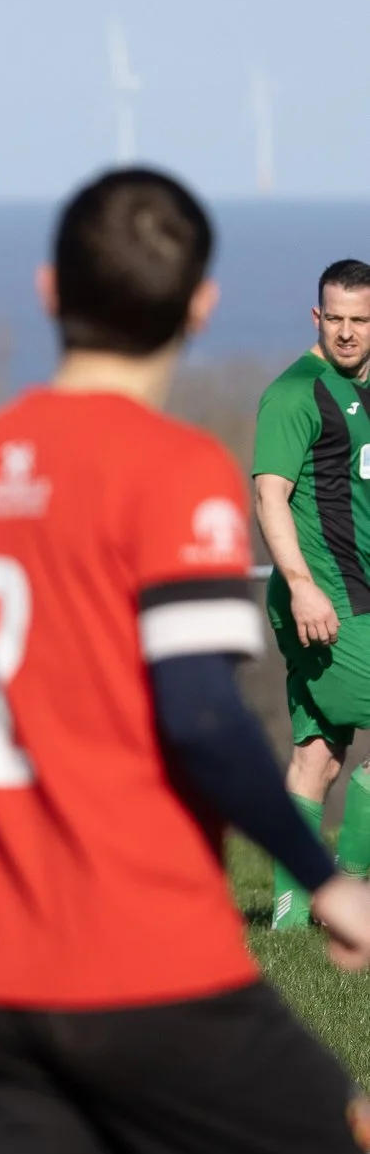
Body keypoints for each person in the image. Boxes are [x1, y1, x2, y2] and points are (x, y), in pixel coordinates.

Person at [0, 168, 370, 1154]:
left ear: (52, 294)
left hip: (1, 976)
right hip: (150, 967)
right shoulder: (171, 466)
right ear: (204, 303)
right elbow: (197, 713)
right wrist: (321, 873)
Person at [253, 260, 370, 931]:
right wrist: (301, 587)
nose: (347, 332)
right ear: (316, 317)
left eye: (360, 320)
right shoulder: (296, 393)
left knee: (317, 755)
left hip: (356, 597)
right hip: (325, 599)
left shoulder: (362, 385)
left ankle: (291, 923)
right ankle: (345, 897)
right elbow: (270, 495)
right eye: (336, 319)